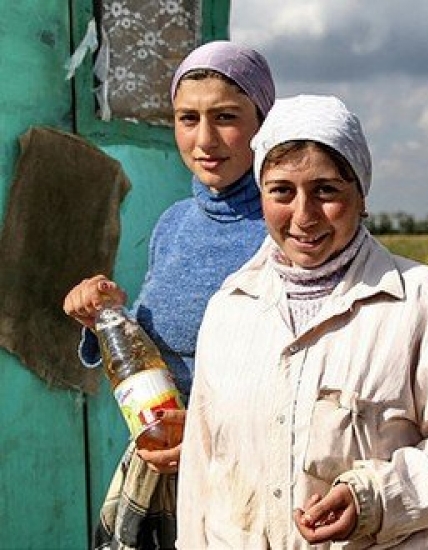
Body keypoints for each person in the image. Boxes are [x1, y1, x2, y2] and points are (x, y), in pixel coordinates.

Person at [176, 94, 428, 548]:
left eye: (326, 190)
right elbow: (201, 472)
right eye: (282, 191)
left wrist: (374, 499)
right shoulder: (231, 307)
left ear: (361, 195)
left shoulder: (420, 301)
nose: (304, 216)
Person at [62, 40, 275, 548]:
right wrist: (107, 316)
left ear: (264, 123)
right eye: (187, 118)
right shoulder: (174, 222)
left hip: (247, 481)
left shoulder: (283, 230)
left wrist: (205, 439)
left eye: (226, 117)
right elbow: (163, 337)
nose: (204, 139)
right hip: (161, 472)